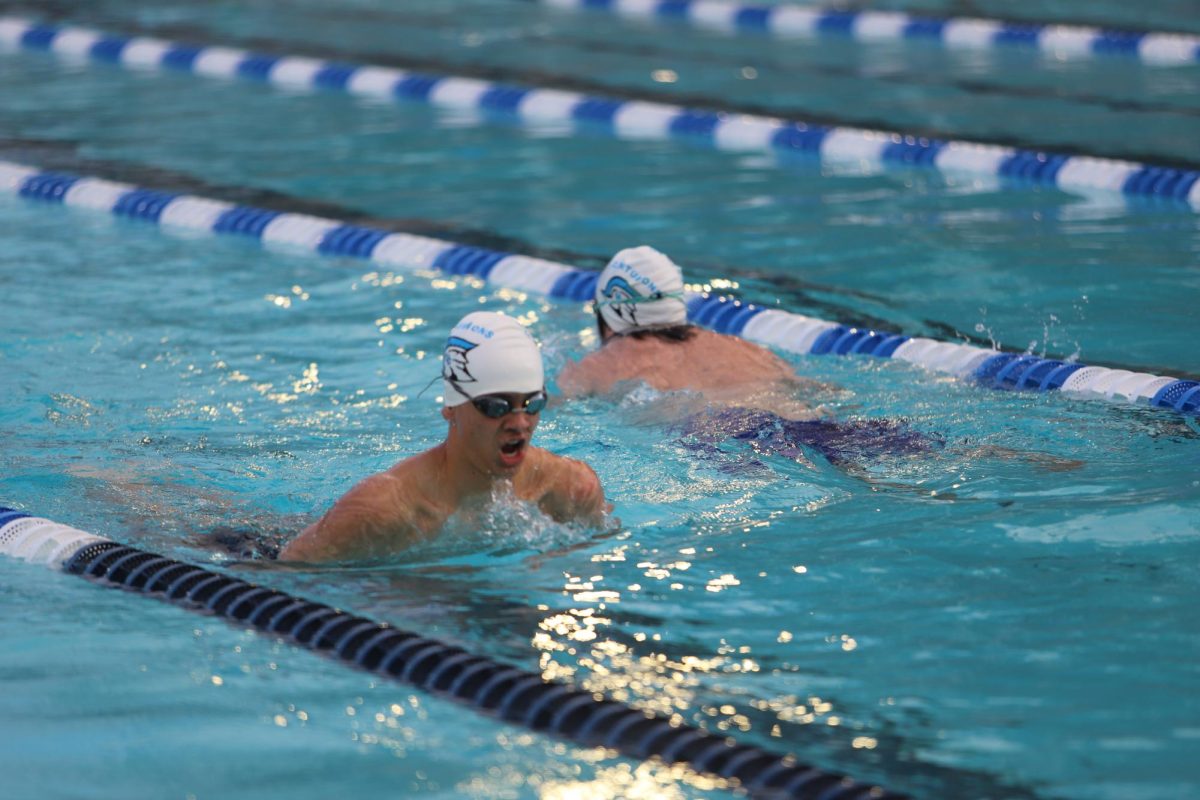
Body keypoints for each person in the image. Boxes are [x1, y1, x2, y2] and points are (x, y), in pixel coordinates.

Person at [558, 246, 936, 469]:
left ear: (610, 309)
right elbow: (820, 390)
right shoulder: (741, 346)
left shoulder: (600, 365)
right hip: (815, 424)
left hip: (726, 438)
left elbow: (552, 415)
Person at [279, 311, 609, 562]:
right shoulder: (383, 510)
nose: (520, 423)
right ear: (451, 407)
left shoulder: (572, 489)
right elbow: (286, 577)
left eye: (533, 403)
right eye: (496, 406)